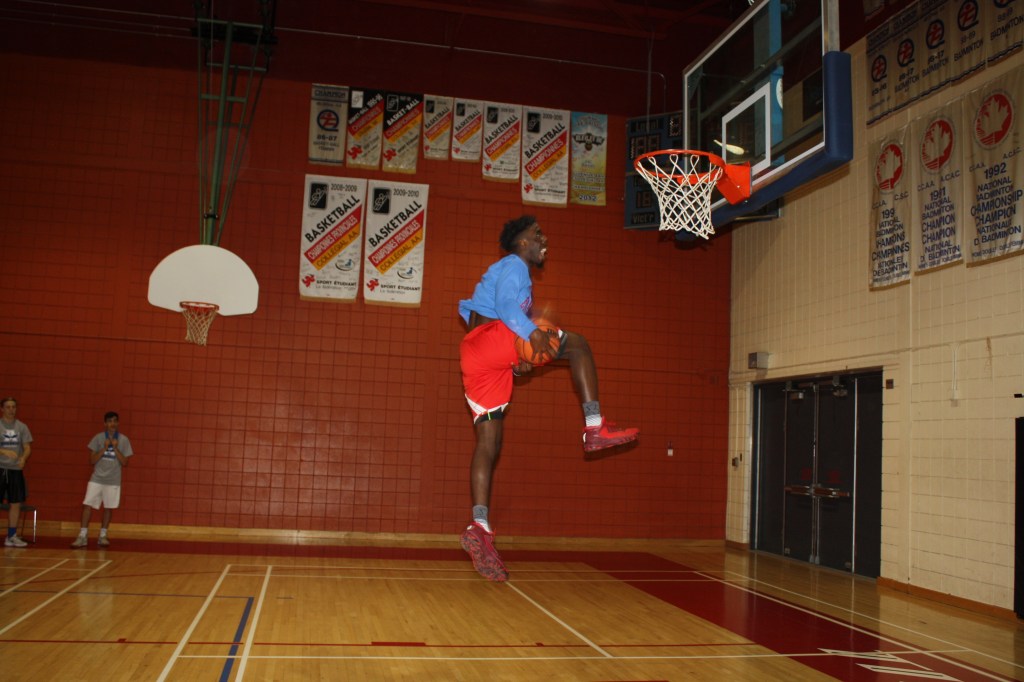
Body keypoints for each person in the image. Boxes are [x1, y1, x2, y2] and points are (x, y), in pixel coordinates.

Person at [457, 215, 639, 581]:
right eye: (537, 234)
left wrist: (519, 359)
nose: (545, 240)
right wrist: (530, 333)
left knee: (489, 441)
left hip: (476, 355)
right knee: (579, 346)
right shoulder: (515, 265)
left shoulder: (510, 272)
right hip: (492, 337)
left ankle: (480, 526)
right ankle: (594, 426)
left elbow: (495, 317)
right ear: (522, 242)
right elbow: (507, 307)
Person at [71, 411, 133, 548]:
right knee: (87, 505)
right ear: (105, 423)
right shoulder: (98, 438)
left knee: (108, 507)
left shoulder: (124, 440)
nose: (112, 424)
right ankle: (82, 535)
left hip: (113, 480)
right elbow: (92, 460)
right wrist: (104, 448)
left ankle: (103, 535)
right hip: (97, 478)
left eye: (115, 421)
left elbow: (125, 462)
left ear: (118, 423)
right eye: (110, 421)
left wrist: (115, 449)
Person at [0, 397, 33, 548]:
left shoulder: (22, 427)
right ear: (2, 409)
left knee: (15, 503)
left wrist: (23, 458)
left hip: (15, 470)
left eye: (13, 407)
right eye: (8, 407)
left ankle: (11, 536)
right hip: (1, 468)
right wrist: (4, 451)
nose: (11, 410)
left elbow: (27, 447)